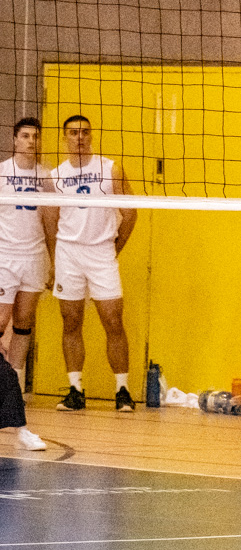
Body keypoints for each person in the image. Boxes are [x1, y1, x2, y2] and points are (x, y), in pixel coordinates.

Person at [42, 114, 137, 412]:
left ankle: (122, 391)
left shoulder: (110, 169)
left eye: (84, 132)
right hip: (69, 253)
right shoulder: (55, 176)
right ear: (64, 138)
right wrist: (54, 259)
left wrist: (114, 248)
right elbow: (49, 220)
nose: (79, 137)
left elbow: (131, 212)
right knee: (71, 322)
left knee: (113, 321)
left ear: (91, 135)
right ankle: (75, 390)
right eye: (72, 132)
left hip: (101, 253)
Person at [0, 117, 48, 450]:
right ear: (15, 140)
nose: (30, 141)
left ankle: (13, 385)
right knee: (1, 322)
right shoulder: (2, 171)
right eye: (25, 136)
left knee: (24, 323)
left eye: (35, 137)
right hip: (5, 255)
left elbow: (54, 216)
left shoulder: (46, 176)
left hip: (35, 257)